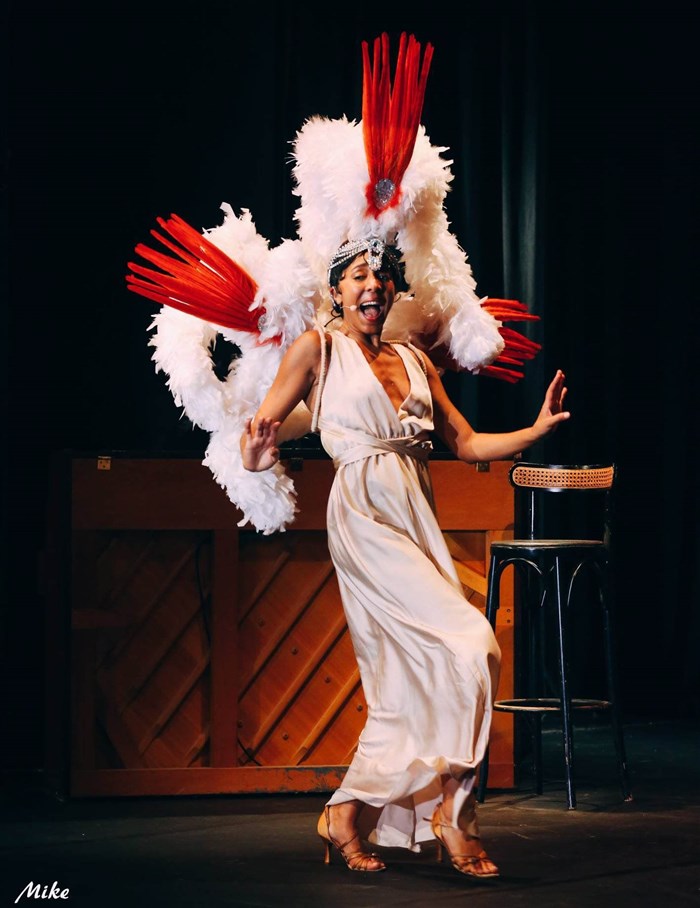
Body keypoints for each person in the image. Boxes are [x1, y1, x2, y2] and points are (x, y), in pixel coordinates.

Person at [240, 237, 570, 879]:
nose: (372, 285)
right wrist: (254, 454)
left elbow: (466, 443)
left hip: (415, 516)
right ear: (337, 290)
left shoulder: (416, 359)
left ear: (394, 291)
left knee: (415, 678)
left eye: (382, 276)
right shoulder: (317, 349)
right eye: (358, 276)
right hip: (363, 517)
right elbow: (260, 438)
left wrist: (535, 431)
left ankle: (346, 813)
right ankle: (454, 814)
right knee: (473, 643)